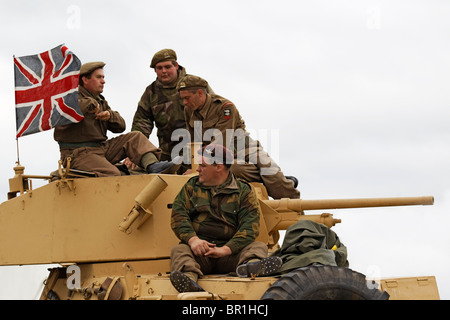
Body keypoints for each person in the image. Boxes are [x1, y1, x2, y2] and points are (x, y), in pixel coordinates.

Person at [169, 144, 282, 293]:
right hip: (200, 254)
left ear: (219, 167)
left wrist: (226, 250)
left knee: (257, 247)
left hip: (231, 255)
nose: (197, 169)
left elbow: (250, 227)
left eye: (202, 165)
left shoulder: (243, 191)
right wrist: (193, 240)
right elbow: (178, 216)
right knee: (180, 250)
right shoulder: (191, 187)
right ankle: (189, 279)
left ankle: (251, 267)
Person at [177, 75, 300, 199]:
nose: (185, 102)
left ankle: (293, 204)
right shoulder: (189, 110)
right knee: (234, 168)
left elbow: (221, 142)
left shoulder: (225, 107)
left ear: (199, 93)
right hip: (218, 156)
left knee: (270, 171)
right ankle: (269, 179)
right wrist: (193, 168)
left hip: (243, 148)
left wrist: (202, 165)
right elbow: (193, 142)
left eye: (187, 98)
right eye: (183, 99)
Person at [54, 61, 179, 177]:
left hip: (100, 149)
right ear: (85, 80)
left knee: (135, 137)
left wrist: (109, 115)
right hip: (77, 153)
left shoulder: (100, 101)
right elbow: (69, 110)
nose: (103, 81)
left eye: (103, 77)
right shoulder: (69, 98)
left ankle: (153, 166)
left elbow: (121, 126)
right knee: (114, 175)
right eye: (99, 77)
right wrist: (90, 104)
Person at [130, 49, 212, 171]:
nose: (164, 71)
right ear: (155, 70)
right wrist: (135, 152)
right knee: (132, 171)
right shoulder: (151, 92)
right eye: (159, 68)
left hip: (197, 150)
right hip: (168, 154)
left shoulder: (195, 85)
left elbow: (213, 112)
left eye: (168, 67)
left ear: (176, 66)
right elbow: (141, 124)